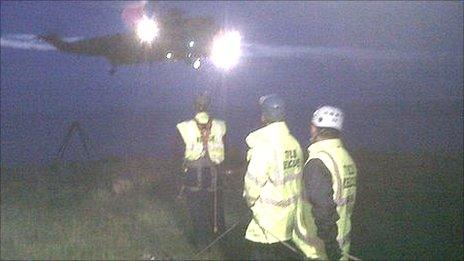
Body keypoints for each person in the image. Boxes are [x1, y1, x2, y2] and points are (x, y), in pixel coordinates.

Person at [292, 106, 358, 260]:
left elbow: (323, 209)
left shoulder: (318, 162)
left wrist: (330, 246)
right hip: (342, 244)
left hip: (318, 251)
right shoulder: (346, 158)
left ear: (316, 129)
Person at [243, 94, 303, 260]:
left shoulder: (264, 145)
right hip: (289, 222)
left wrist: (253, 205)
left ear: (263, 116)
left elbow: (252, 185)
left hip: (266, 225)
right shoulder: (294, 143)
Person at [175, 92, 226, 250]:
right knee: (215, 207)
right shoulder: (221, 125)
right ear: (208, 106)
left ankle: (201, 243)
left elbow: (177, 153)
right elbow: (226, 148)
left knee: (196, 208)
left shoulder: (184, 127)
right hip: (214, 173)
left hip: (193, 173)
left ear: (194, 107)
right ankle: (219, 240)